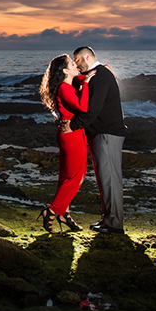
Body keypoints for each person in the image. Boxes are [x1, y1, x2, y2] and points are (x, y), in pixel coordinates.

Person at [60, 46, 127, 234]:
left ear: (87, 57)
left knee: (110, 178)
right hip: (103, 133)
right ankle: (108, 219)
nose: (76, 64)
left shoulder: (100, 76)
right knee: (104, 178)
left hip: (107, 133)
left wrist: (74, 125)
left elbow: (93, 109)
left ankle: (114, 223)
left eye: (77, 60)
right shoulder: (99, 74)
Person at [35, 54, 94, 233]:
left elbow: (81, 76)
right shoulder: (64, 88)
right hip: (71, 136)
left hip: (72, 134)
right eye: (72, 63)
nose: (76, 65)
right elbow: (83, 107)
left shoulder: (66, 85)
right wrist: (87, 84)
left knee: (67, 177)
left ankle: (64, 213)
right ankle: (52, 210)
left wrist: (98, 71)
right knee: (75, 176)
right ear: (66, 71)